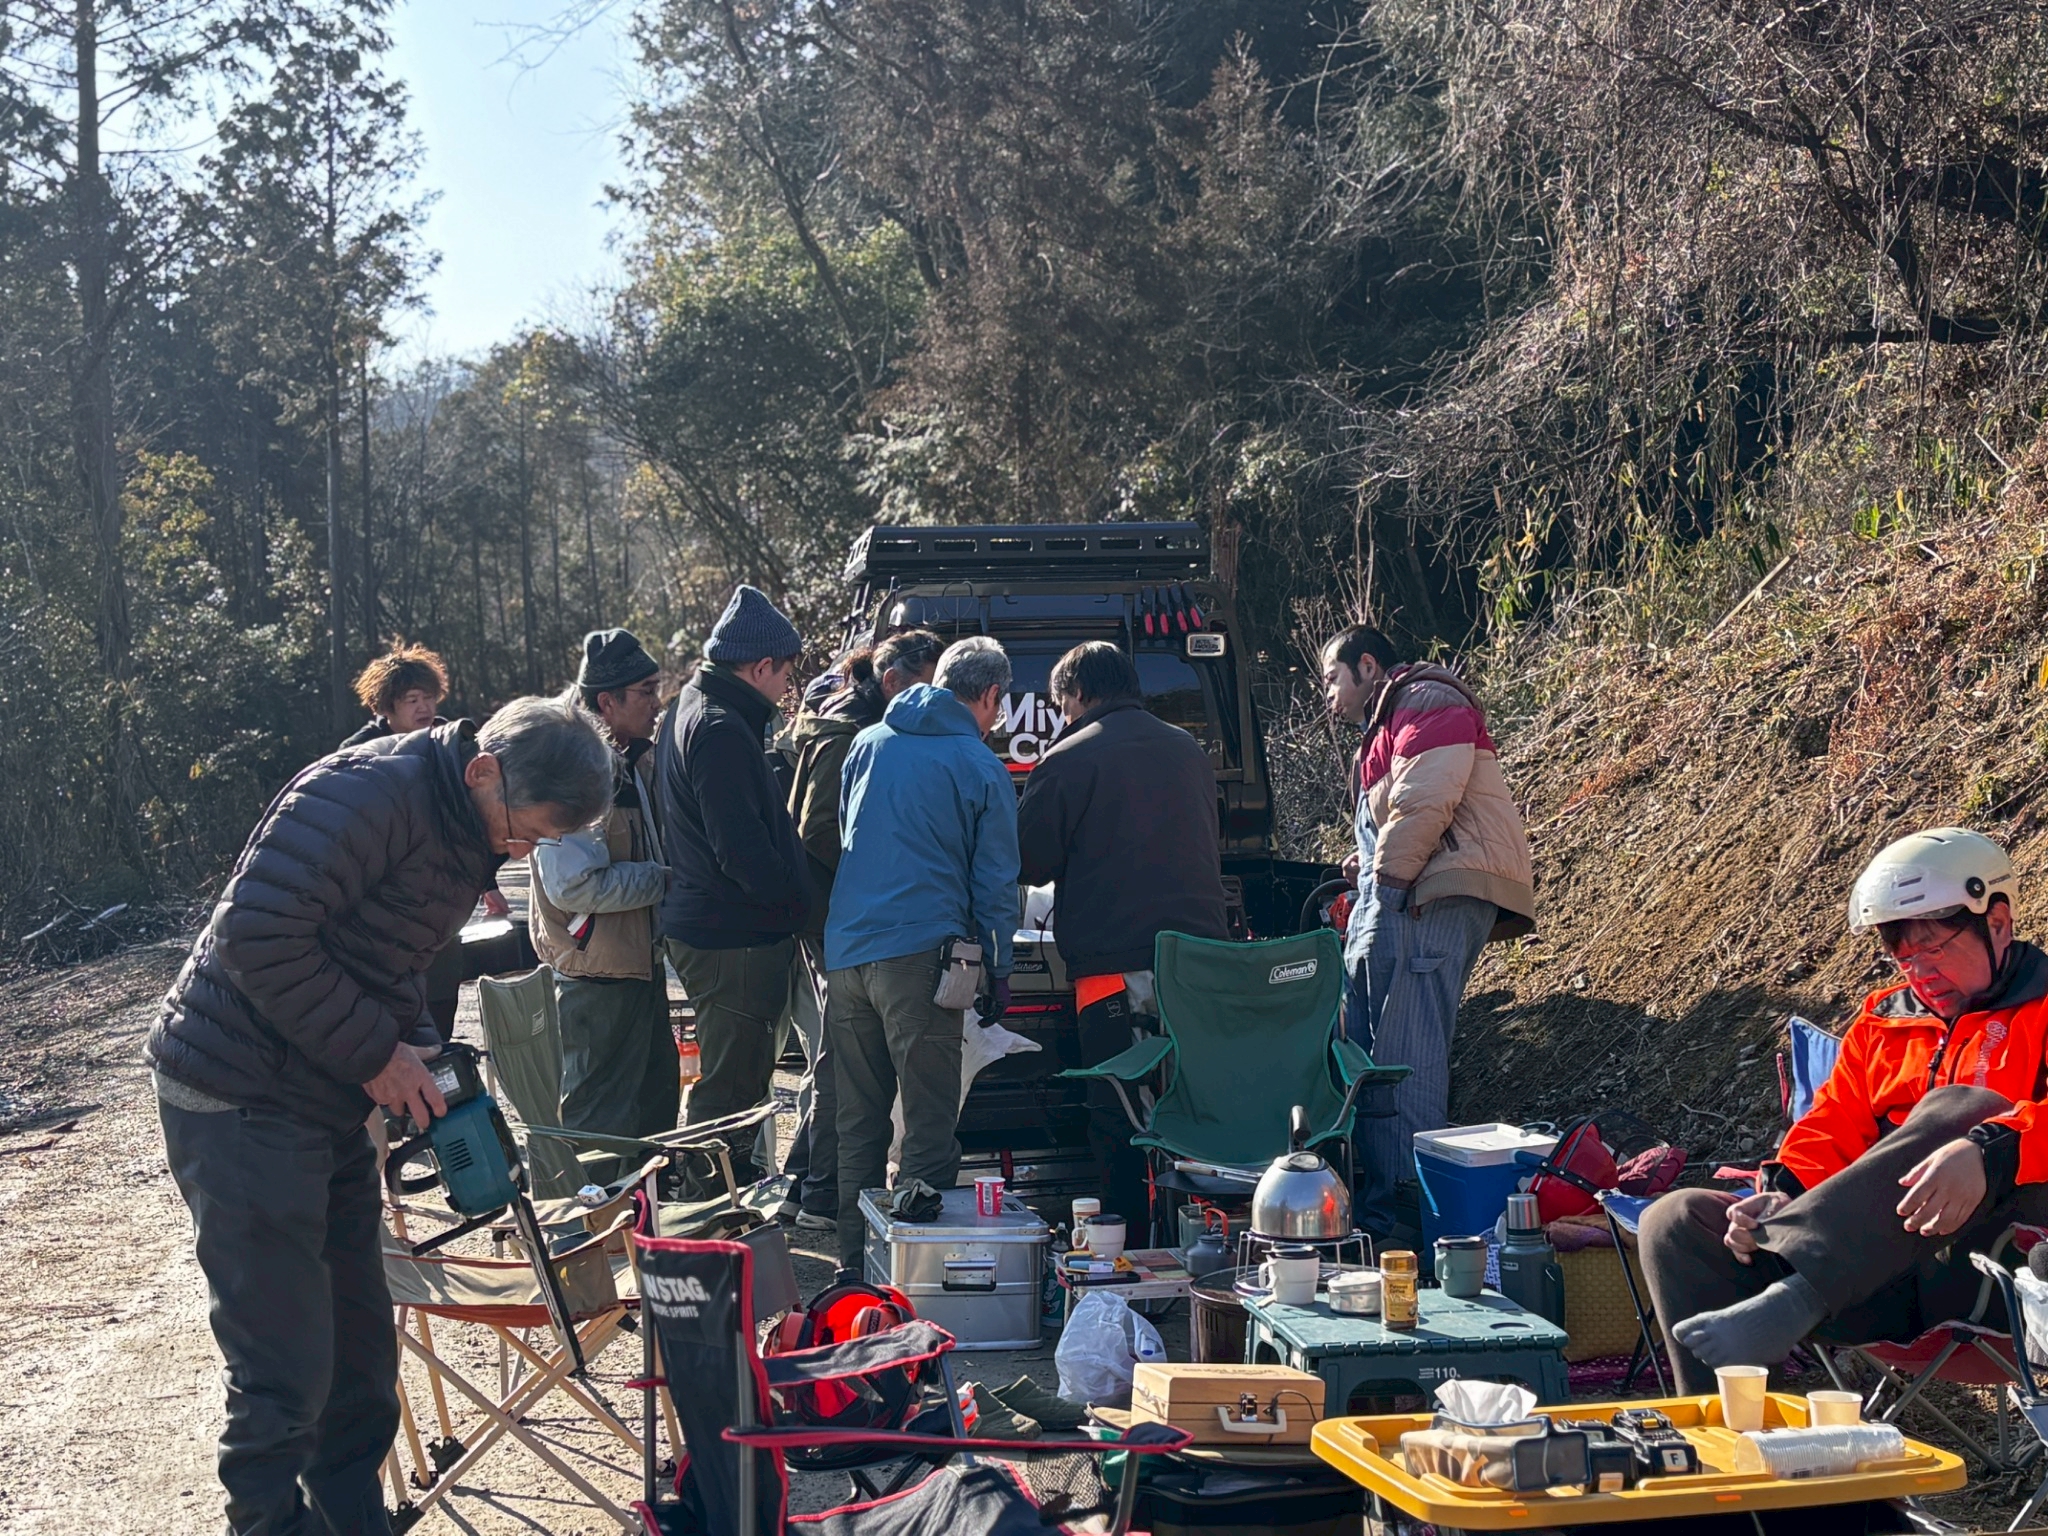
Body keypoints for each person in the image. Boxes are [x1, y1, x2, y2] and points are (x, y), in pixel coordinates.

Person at [148, 697, 614, 1536]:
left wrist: (428, 1062)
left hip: (318, 1095)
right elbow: (258, 937)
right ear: (484, 771)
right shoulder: (368, 795)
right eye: (527, 832)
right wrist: (376, 1055)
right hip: (238, 1095)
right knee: (283, 1369)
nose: (522, 854)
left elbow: (387, 961)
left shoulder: (461, 823)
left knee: (360, 1361)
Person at [1643, 828, 2048, 1393]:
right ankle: (1747, 1453)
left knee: (1963, 1109)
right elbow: (1832, 1123)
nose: (1919, 972)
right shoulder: (1884, 1020)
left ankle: (1796, 1296)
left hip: (2000, 1268)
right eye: (1903, 956)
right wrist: (1784, 1191)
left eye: (1933, 947)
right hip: (1873, 1276)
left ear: (1998, 923)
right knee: (1676, 1220)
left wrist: (1993, 1151)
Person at [1321, 623, 1535, 1239]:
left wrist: (1383, 889)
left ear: (1367, 666)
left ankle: (1410, 1225)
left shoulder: (1428, 698)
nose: (1328, 694)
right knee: (1371, 1055)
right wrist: (1369, 866)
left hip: (1425, 899)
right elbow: (1410, 812)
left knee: (1404, 1058)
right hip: (1407, 889)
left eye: (1332, 678)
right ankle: (1383, 1210)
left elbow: (1424, 803)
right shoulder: (1387, 725)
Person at [1017, 640, 1228, 1240]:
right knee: (1186, 1108)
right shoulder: (1188, 750)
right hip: (1200, 968)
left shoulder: (1066, 758)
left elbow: (1030, 862)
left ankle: (1131, 1245)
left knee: (1118, 1112)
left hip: (1114, 969)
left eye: (1060, 705)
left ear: (1077, 696)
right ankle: (1199, 1237)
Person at [828, 636, 1021, 1271]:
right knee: (929, 1124)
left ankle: (852, 1267)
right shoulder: (978, 763)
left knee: (859, 1121)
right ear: (990, 695)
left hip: (849, 950)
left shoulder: (866, 743)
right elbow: (995, 881)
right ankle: (911, 1276)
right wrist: (999, 966)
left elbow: (846, 833)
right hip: (924, 957)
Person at [655, 584, 811, 1183]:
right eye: (785, 674)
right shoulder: (719, 727)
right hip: (734, 937)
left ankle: (720, 1200)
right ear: (760, 666)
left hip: (721, 928)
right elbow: (740, 848)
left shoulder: (690, 708)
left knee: (737, 1079)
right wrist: (791, 903)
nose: (786, 688)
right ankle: (707, 1210)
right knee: (732, 1088)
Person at [530, 629, 677, 1140]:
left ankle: (642, 1217)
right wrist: (664, 881)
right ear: (607, 701)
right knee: (600, 1120)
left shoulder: (630, 756)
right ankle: (590, 1220)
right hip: (595, 976)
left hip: (635, 965)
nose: (658, 704)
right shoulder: (575, 768)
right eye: (647, 692)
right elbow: (573, 887)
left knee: (653, 1105)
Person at [342, 640, 448, 748]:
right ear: (384, 707)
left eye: (428, 697)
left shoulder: (448, 738)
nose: (424, 708)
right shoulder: (359, 748)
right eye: (412, 700)